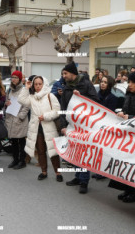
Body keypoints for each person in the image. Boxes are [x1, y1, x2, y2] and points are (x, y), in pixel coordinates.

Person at [111, 69, 135, 202]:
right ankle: (127, 189)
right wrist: (122, 112)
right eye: (129, 82)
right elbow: (126, 109)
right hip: (126, 135)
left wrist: (130, 117)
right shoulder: (129, 94)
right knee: (125, 163)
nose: (130, 84)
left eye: (133, 82)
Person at [60, 61, 99, 194]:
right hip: (72, 126)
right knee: (75, 152)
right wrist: (64, 126)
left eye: (65, 73)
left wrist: (81, 97)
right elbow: (63, 108)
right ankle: (77, 177)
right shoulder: (66, 87)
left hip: (85, 126)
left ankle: (84, 181)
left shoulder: (86, 84)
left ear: (73, 74)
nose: (63, 76)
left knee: (83, 152)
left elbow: (95, 101)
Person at [18, 76, 63, 182]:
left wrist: (46, 116)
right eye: (36, 84)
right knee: (41, 151)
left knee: (53, 151)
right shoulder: (32, 96)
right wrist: (26, 88)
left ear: (44, 84)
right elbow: (21, 100)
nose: (38, 86)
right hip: (36, 128)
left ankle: (58, 173)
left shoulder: (50, 96)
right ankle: (44, 172)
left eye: (40, 84)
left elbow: (57, 111)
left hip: (49, 126)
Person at [5, 71, 30, 170]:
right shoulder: (9, 90)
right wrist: (6, 103)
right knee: (13, 140)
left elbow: (27, 105)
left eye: (16, 77)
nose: (14, 79)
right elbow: (7, 101)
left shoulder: (24, 90)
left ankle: (22, 160)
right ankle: (15, 159)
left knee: (21, 141)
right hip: (10, 117)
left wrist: (21, 116)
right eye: (12, 77)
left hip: (19, 119)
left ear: (20, 79)